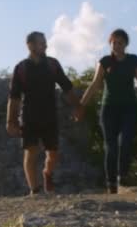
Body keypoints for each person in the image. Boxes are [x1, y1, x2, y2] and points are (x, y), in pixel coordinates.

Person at [80, 29, 137, 194]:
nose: (116, 45)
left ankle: (122, 177)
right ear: (110, 44)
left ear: (126, 44)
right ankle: (111, 183)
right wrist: (81, 105)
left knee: (125, 142)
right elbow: (95, 84)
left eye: (120, 43)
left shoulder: (133, 61)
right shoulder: (105, 62)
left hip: (129, 108)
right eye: (114, 42)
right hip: (109, 109)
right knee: (110, 146)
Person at [6, 31, 84, 196]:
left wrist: (78, 106)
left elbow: (67, 87)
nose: (46, 45)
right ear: (31, 45)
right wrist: (10, 121)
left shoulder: (53, 64)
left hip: (50, 114)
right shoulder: (21, 68)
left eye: (45, 42)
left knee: (53, 153)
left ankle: (47, 173)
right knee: (31, 150)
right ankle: (35, 190)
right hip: (29, 115)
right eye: (42, 43)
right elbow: (14, 98)